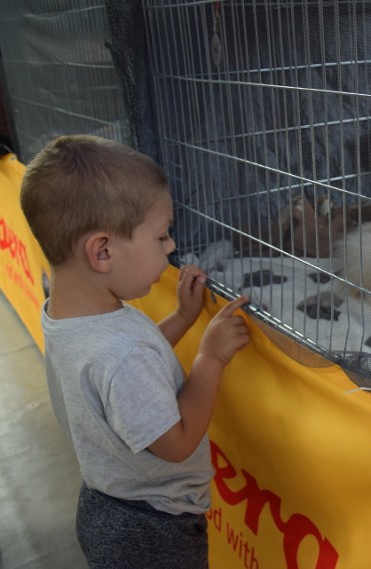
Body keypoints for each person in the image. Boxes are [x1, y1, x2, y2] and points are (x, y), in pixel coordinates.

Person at [19, 135, 251, 568]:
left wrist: (182, 317)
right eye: (161, 236)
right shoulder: (120, 352)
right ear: (102, 251)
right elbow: (176, 442)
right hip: (152, 530)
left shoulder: (68, 315)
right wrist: (211, 358)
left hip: (105, 503)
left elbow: (123, 381)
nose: (171, 248)